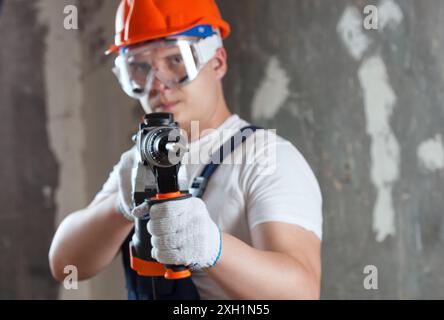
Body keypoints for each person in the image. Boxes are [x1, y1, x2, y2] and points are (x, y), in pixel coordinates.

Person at [49, 0, 323, 300]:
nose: (159, 85)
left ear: (217, 61)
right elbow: (66, 265)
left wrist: (212, 248)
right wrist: (120, 206)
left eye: (176, 61)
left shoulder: (267, 157)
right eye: (140, 69)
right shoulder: (142, 161)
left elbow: (301, 292)